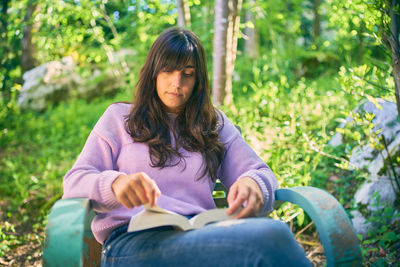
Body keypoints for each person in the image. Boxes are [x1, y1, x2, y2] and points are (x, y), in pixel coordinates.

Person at [63, 27, 311, 266]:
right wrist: (115, 184)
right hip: (133, 243)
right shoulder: (119, 119)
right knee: (271, 237)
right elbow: (74, 182)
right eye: (168, 70)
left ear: (198, 80)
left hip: (203, 235)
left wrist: (253, 184)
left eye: (188, 73)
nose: (177, 82)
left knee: (270, 235)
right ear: (153, 72)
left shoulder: (214, 124)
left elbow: (260, 172)